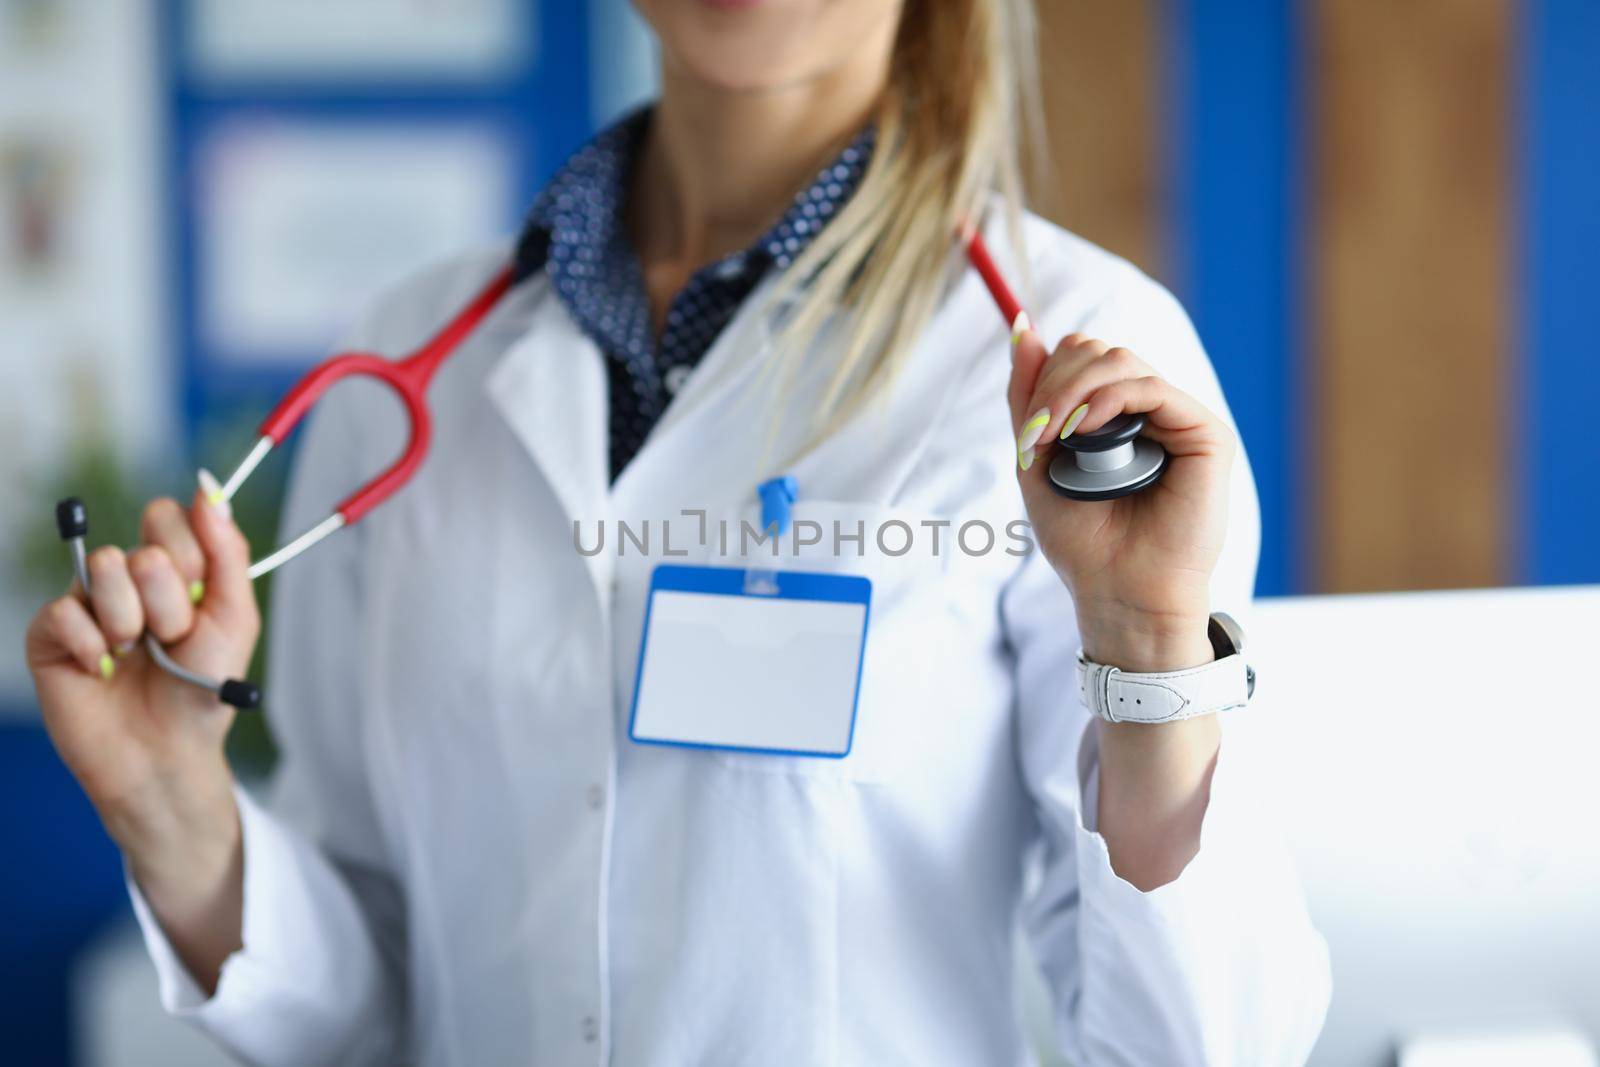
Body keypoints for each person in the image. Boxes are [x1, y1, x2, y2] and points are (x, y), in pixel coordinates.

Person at [24, 1, 1330, 1063]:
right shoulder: (406, 363)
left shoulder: (1088, 367)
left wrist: (1152, 640)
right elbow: (370, 1006)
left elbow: (1201, 1049)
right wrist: (173, 805)